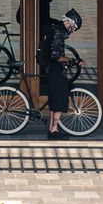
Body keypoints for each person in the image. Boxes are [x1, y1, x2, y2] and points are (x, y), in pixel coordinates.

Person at [38, 8, 82, 138]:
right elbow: (56, 56)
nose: (73, 31)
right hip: (54, 70)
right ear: (69, 22)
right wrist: (71, 60)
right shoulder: (58, 33)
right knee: (59, 99)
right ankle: (53, 130)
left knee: (55, 99)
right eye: (74, 27)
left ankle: (53, 129)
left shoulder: (56, 29)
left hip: (52, 69)